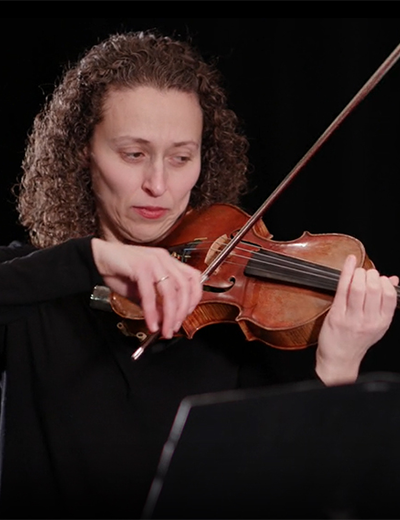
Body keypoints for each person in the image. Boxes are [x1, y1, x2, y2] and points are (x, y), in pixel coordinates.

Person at [0, 29, 397, 519]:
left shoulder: (233, 321)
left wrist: (337, 367)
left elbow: (299, 501)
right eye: (133, 154)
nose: (159, 185)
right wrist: (94, 259)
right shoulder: (27, 288)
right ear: (83, 151)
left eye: (181, 157)